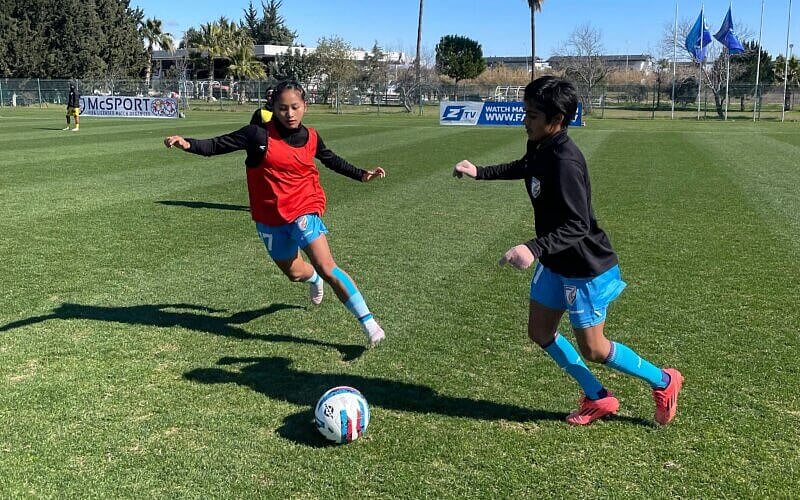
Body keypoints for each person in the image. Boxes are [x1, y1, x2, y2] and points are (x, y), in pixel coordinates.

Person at [452, 76, 683, 426]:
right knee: (540, 332)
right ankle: (598, 397)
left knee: (593, 348)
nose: (524, 120)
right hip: (554, 261)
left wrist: (532, 247)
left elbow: (578, 225)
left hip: (584, 267)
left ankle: (664, 381)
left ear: (556, 120)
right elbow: (525, 168)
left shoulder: (566, 161)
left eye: (531, 115)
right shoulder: (540, 145)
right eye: (524, 112)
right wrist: (479, 172)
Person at [164, 80, 387, 346]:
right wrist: (186, 143)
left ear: (305, 106)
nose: (290, 114)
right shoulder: (256, 135)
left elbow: (332, 160)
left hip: (304, 207)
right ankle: (313, 279)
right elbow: (216, 145)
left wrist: (362, 175)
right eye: (283, 108)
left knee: (327, 266)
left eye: (295, 107)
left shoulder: (312, 137)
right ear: (273, 108)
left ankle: (370, 324)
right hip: (269, 216)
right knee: (294, 274)